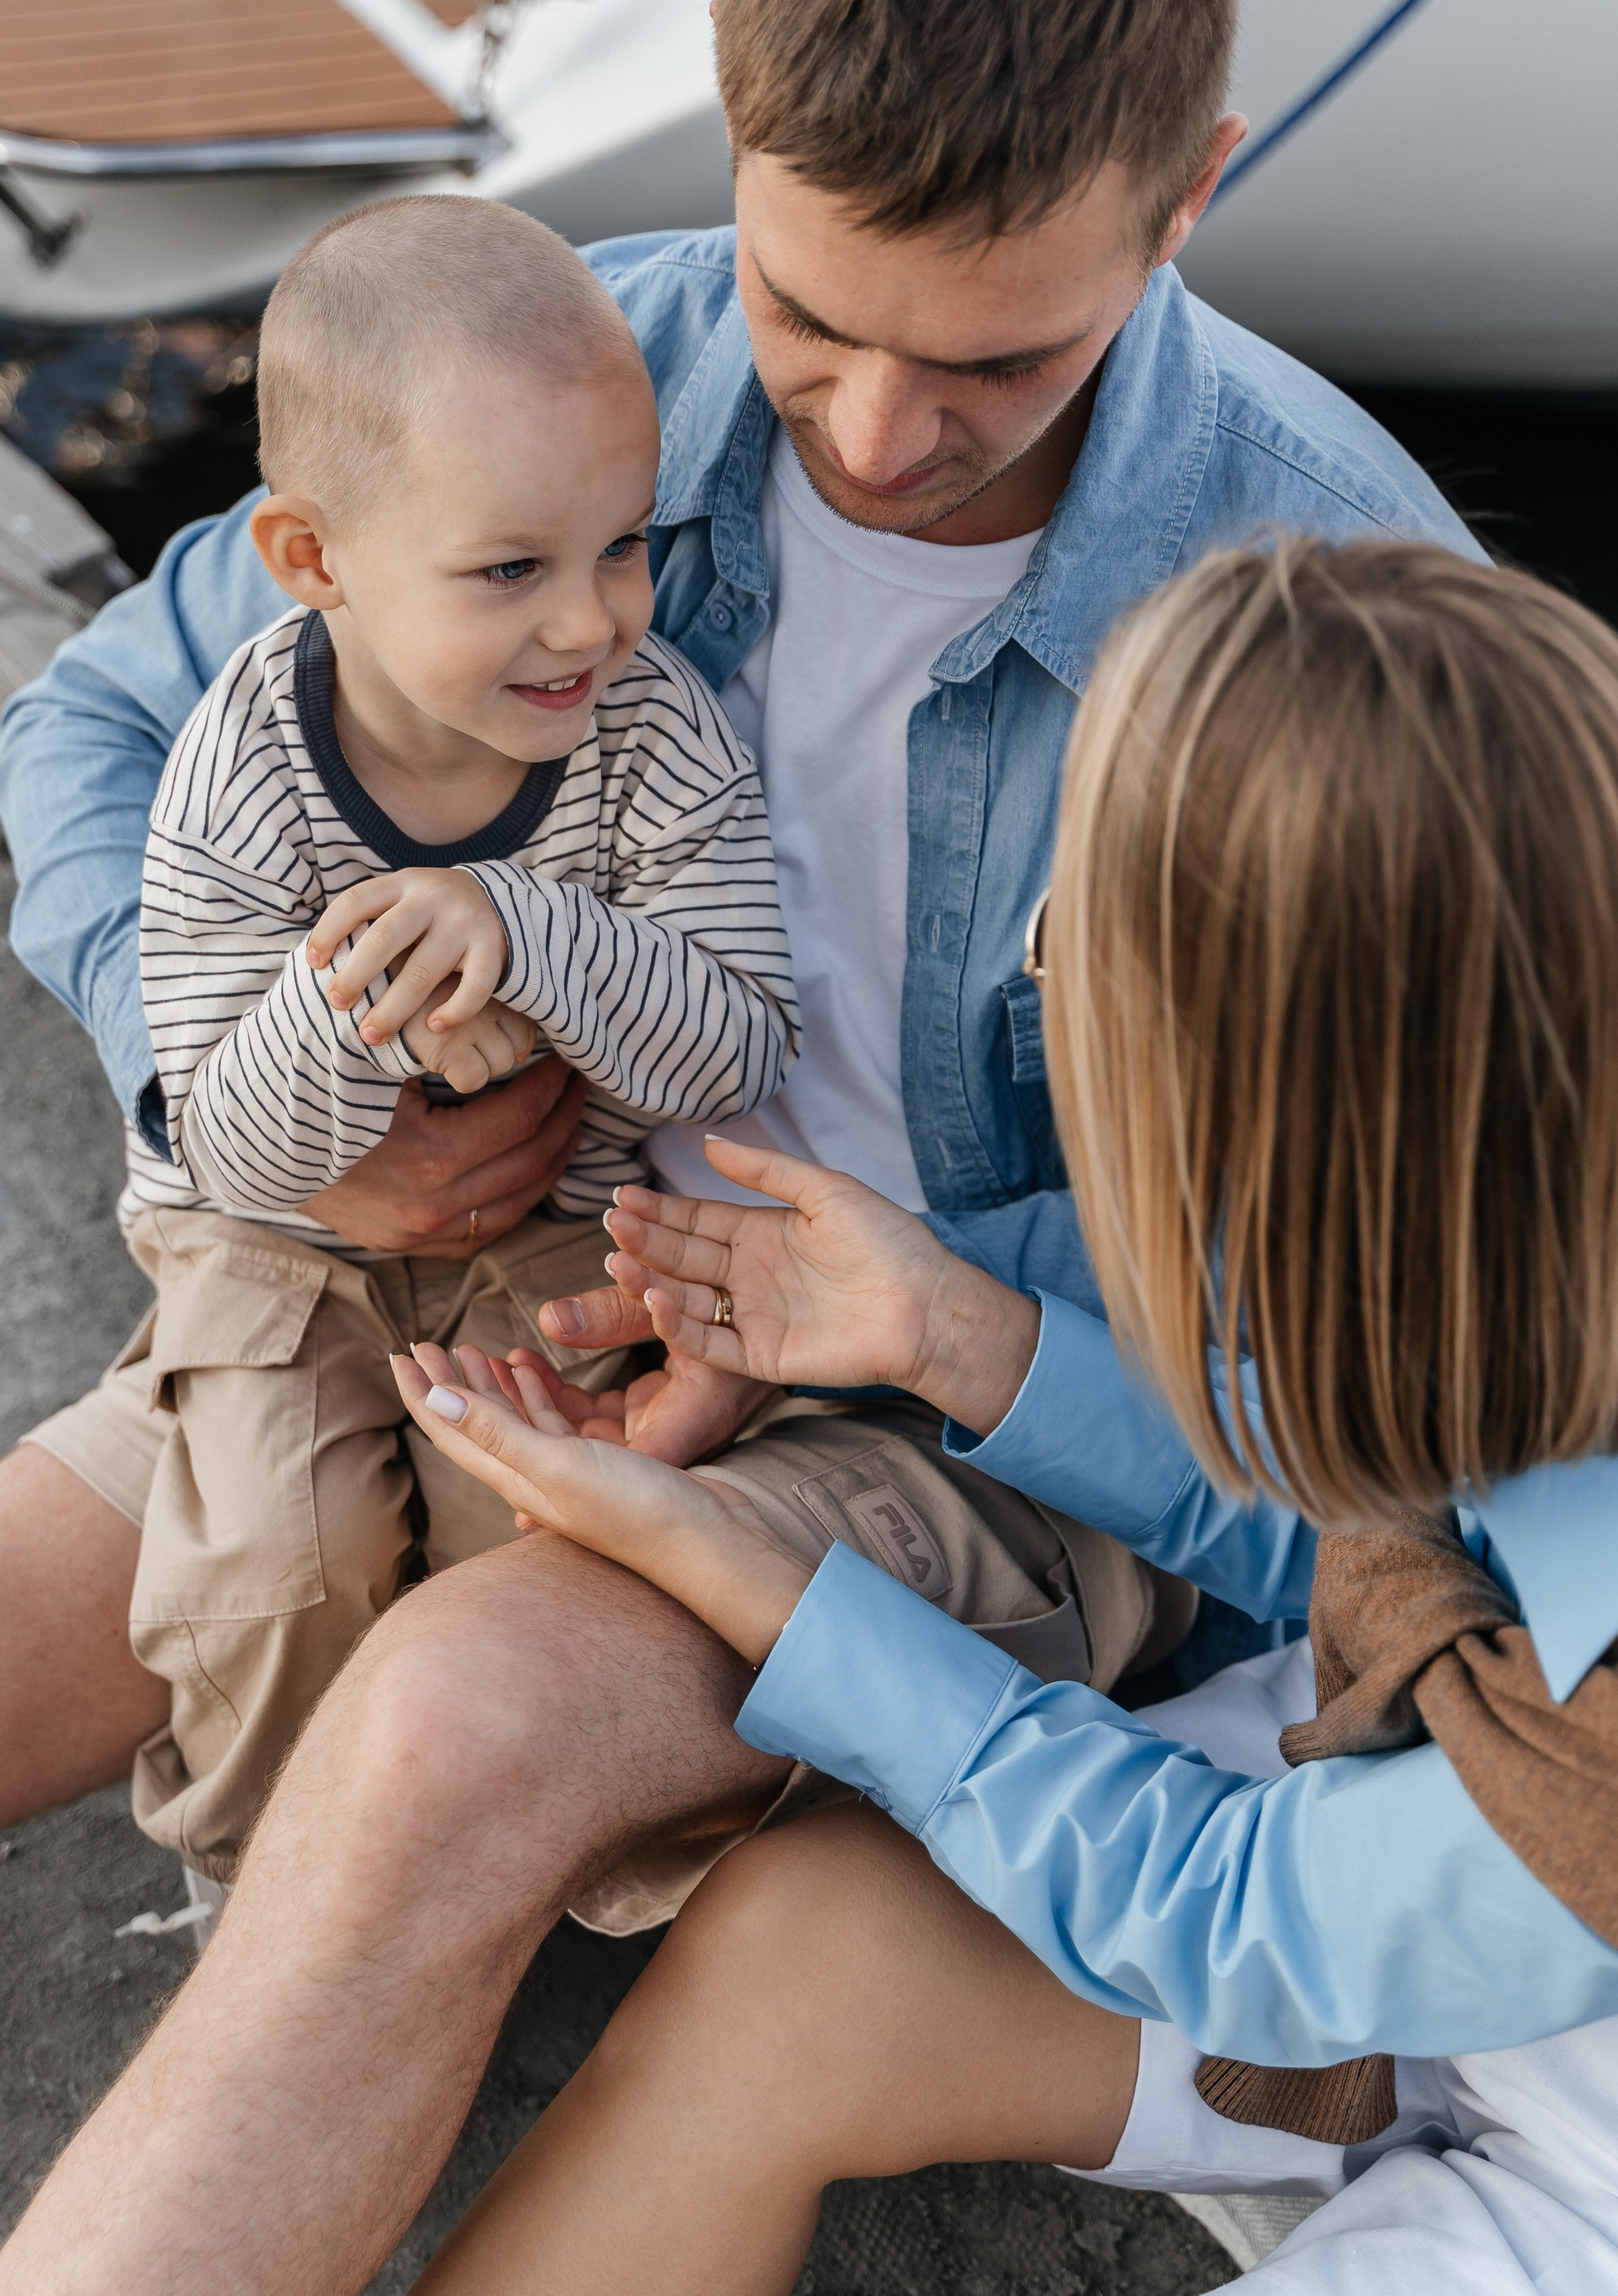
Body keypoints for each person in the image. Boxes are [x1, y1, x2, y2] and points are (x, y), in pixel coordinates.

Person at [0, 0, 1486, 2293]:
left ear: (1188, 195)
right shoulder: (589, 364)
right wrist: (243, 1128)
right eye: (808, 319)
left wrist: (874, 1336)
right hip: (492, 1263)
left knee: (442, 1739)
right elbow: (98, 724)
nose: (877, 438)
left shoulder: (1338, 605)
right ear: (740, 148)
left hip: (992, 1424)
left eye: (995, 358)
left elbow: (1375, 1362)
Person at [381, 536, 1618, 2294]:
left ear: (1292, 1128)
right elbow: (1383, 1535)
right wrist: (952, 1334)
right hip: (1409, 1872)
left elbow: (1224, 1916)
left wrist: (769, 1588)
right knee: (806, 1954)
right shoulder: (1533, 1195)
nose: (1041, 964)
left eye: (1082, 946)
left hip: (1567, 2155)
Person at [120, 194, 801, 1881]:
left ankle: (542, 1877)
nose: (590, 624)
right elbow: (237, 1145)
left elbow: (732, 1050)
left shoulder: (652, 733)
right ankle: (275, 1880)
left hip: (554, 1226)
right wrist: (362, 991)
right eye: (510, 571)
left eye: (623, 545)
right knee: (282, 1560)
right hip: (280, 1240)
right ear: (314, 560)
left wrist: (536, 929)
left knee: (545, 1552)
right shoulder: (240, 771)